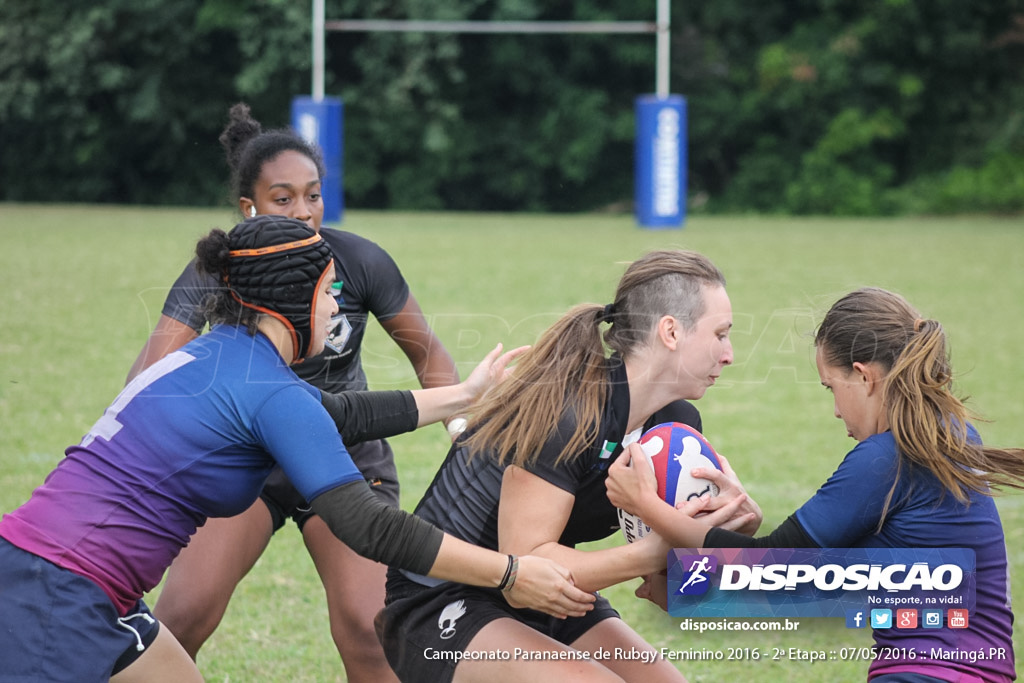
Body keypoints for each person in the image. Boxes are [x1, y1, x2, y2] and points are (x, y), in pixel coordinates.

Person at [0, 216, 595, 683]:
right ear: (293, 299)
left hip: (62, 577)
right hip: (59, 592)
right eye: (330, 292)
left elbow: (334, 413)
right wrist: (509, 572)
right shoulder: (270, 391)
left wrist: (459, 396)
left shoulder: (220, 355)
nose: (338, 308)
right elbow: (370, 527)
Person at [125, 103, 459, 680]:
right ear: (248, 207)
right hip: (247, 462)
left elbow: (429, 356)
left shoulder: (358, 260)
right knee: (182, 616)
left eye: (313, 195)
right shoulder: (225, 268)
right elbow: (151, 372)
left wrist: (464, 436)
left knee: (368, 627)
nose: (303, 212)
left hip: (343, 454)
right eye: (283, 199)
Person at [376, 249, 761, 683]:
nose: (728, 354)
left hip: (554, 595)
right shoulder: (570, 412)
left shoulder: (675, 425)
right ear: (670, 331)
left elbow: (664, 584)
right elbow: (525, 571)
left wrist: (722, 537)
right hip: (444, 598)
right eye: (720, 334)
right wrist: (655, 551)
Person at [608, 286, 1023, 683]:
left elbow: (770, 567)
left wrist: (645, 504)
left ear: (864, 377)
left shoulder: (887, 458)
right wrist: (689, 593)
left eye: (831, 388)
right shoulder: (948, 434)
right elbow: (838, 580)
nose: (836, 412)